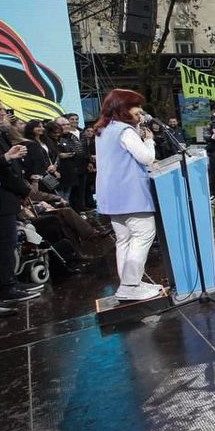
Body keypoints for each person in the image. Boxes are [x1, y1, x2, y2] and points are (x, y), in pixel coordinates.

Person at [94, 89, 164, 301]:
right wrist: (149, 140)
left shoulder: (104, 130)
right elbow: (146, 158)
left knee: (124, 240)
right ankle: (130, 286)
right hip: (130, 193)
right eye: (136, 106)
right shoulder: (125, 131)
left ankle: (129, 283)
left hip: (112, 195)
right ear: (123, 108)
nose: (140, 111)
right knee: (143, 235)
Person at [0, 95, 40, 311]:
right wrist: (22, 188)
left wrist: (6, 158)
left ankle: (5, 286)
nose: (3, 113)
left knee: (4, 245)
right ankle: (1, 289)